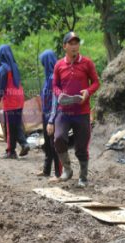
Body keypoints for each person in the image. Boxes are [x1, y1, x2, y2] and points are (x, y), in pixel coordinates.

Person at [52, 32, 100, 187]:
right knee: (59, 138)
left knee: (81, 146)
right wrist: (60, 95)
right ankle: (67, 169)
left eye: (76, 43)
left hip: (82, 112)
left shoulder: (87, 63)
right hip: (64, 111)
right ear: (64, 46)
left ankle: (83, 176)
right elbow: (55, 85)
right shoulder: (59, 65)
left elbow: (96, 83)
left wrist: (88, 92)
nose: (74, 46)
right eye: (71, 43)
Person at [0, 44, 30, 159]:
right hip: (19, 98)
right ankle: (20, 146)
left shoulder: (3, 69)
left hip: (11, 100)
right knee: (16, 123)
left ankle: (12, 151)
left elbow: (0, 88)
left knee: (10, 126)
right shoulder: (14, 66)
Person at [39, 49, 62, 179]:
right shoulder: (48, 76)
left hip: (52, 115)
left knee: (54, 144)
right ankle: (46, 170)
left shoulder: (54, 77)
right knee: (48, 144)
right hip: (46, 113)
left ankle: (59, 173)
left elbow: (55, 99)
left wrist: (51, 120)